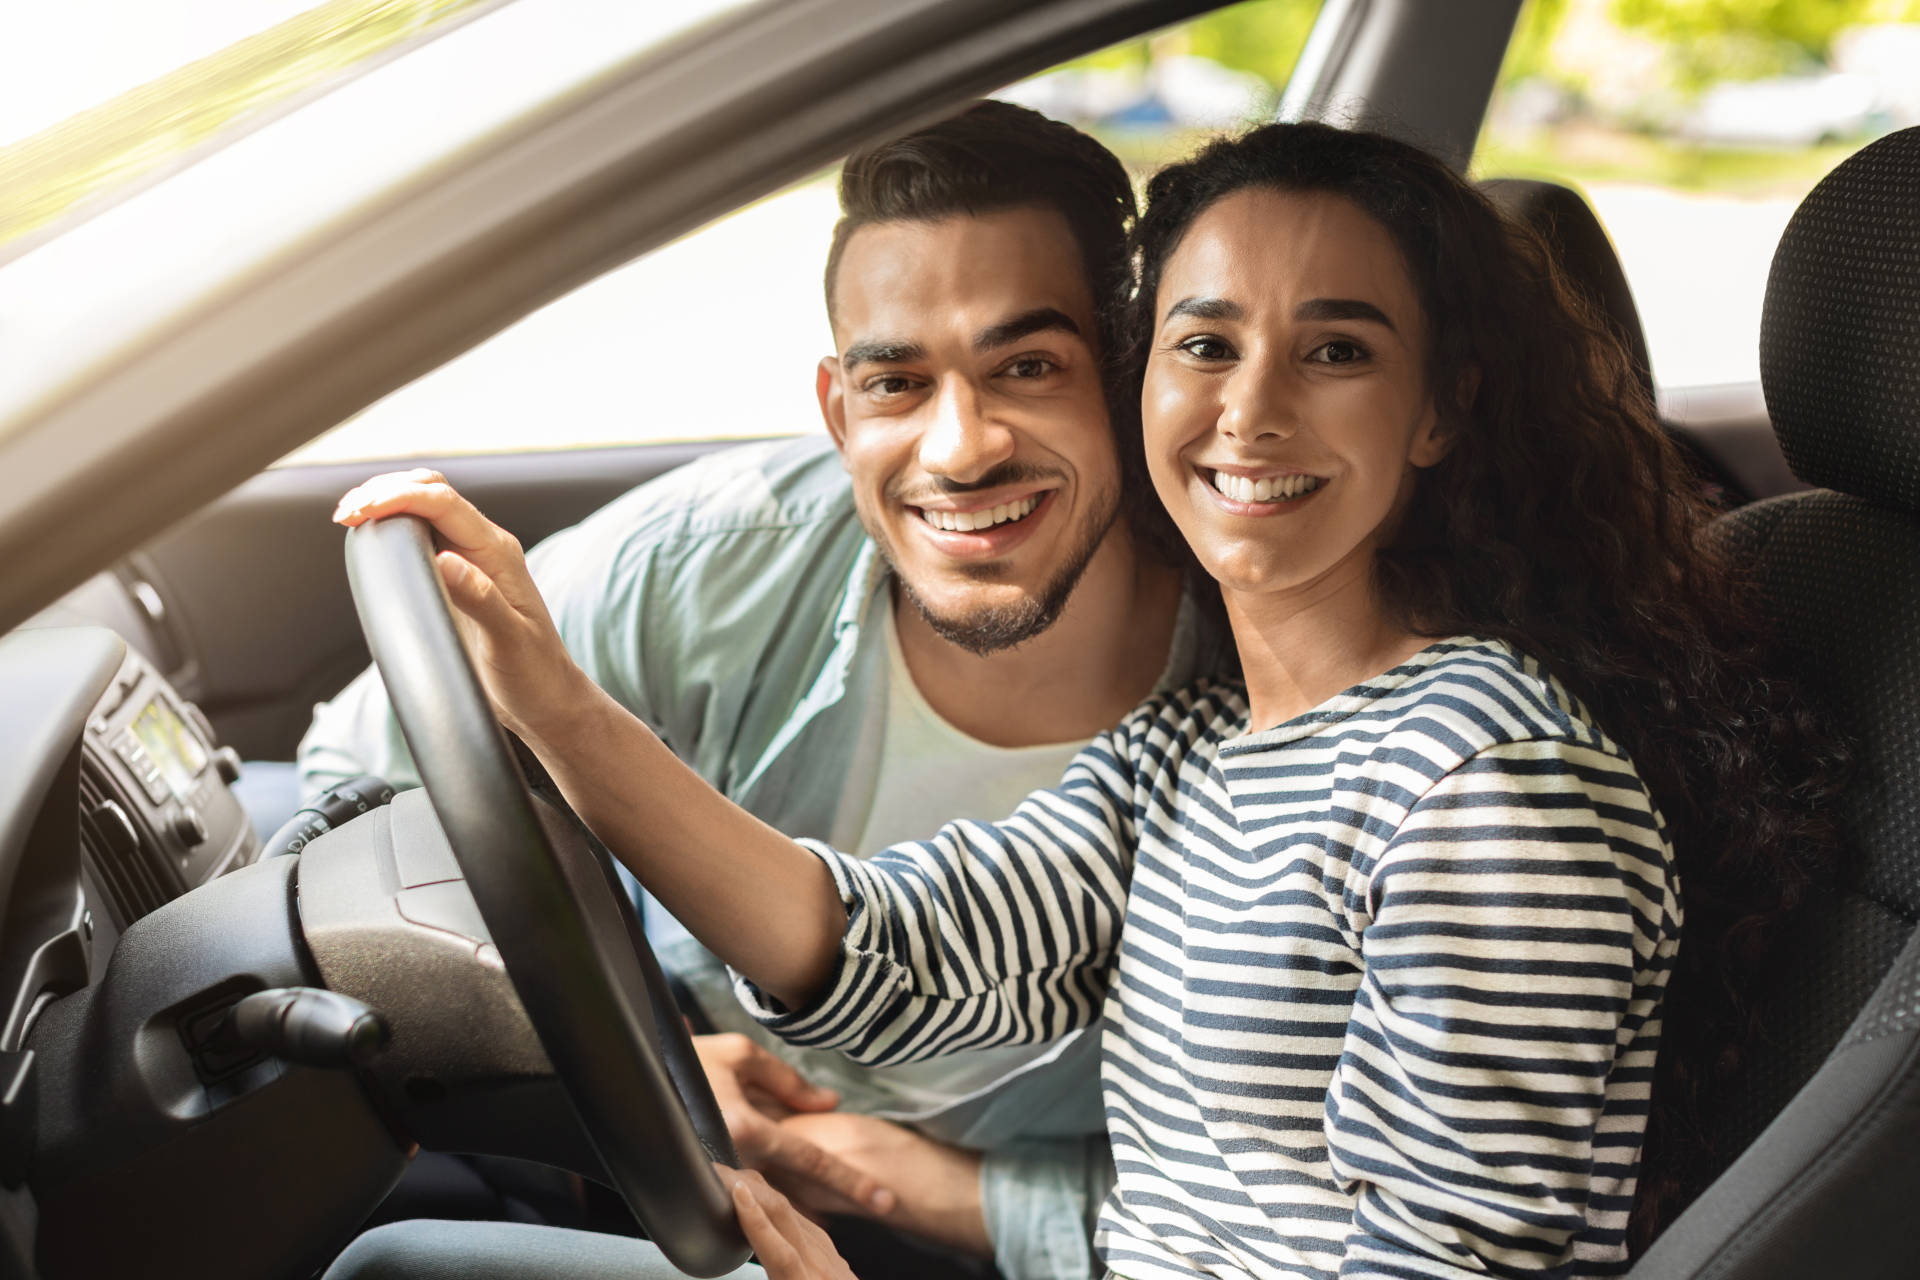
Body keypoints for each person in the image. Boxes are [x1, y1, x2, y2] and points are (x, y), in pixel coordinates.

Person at [325, 121, 1838, 1279]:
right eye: (1206, 344)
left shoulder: (1492, 790)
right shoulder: (1202, 746)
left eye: (1336, 351)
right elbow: (896, 954)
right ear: (1148, 382)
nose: (1250, 411)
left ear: (1437, 411)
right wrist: (552, 699)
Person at [299, 101, 1225, 1278]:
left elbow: (1266, 1199)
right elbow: (362, 777)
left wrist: (957, 1197)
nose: (960, 446)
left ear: (1131, 377)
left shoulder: (1264, 697)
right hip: (667, 1158)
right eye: (898, 383)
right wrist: (660, 1056)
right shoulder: (710, 561)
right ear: (840, 410)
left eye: (1027, 366)